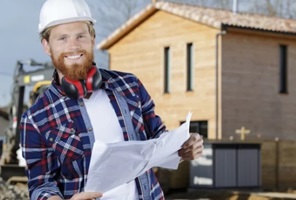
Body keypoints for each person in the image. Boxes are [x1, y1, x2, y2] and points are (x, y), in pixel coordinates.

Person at [20, 0, 204, 199]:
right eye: (62, 38)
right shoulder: (35, 119)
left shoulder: (129, 85)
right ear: (47, 46)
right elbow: (41, 186)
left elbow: (159, 138)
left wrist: (184, 145)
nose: (73, 46)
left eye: (80, 36)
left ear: (92, 38)